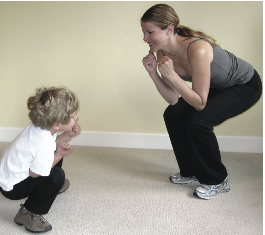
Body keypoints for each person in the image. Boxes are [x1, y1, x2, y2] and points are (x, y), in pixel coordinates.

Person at [141, 4, 262, 200]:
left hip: (245, 85)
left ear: (169, 29)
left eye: (149, 32)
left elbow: (199, 104)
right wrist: (153, 73)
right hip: (217, 86)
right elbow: (173, 100)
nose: (145, 38)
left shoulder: (198, 49)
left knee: (199, 120)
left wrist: (172, 76)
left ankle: (217, 180)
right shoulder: (162, 52)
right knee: (173, 114)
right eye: (144, 32)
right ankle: (190, 171)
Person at [0, 87, 80, 233]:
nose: (76, 118)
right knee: (57, 175)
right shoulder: (43, 143)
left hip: (7, 175)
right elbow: (35, 174)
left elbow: (53, 144)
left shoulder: (40, 127)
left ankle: (48, 188)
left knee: (55, 152)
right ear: (56, 124)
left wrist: (68, 134)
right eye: (73, 116)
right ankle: (28, 213)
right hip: (13, 187)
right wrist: (59, 155)